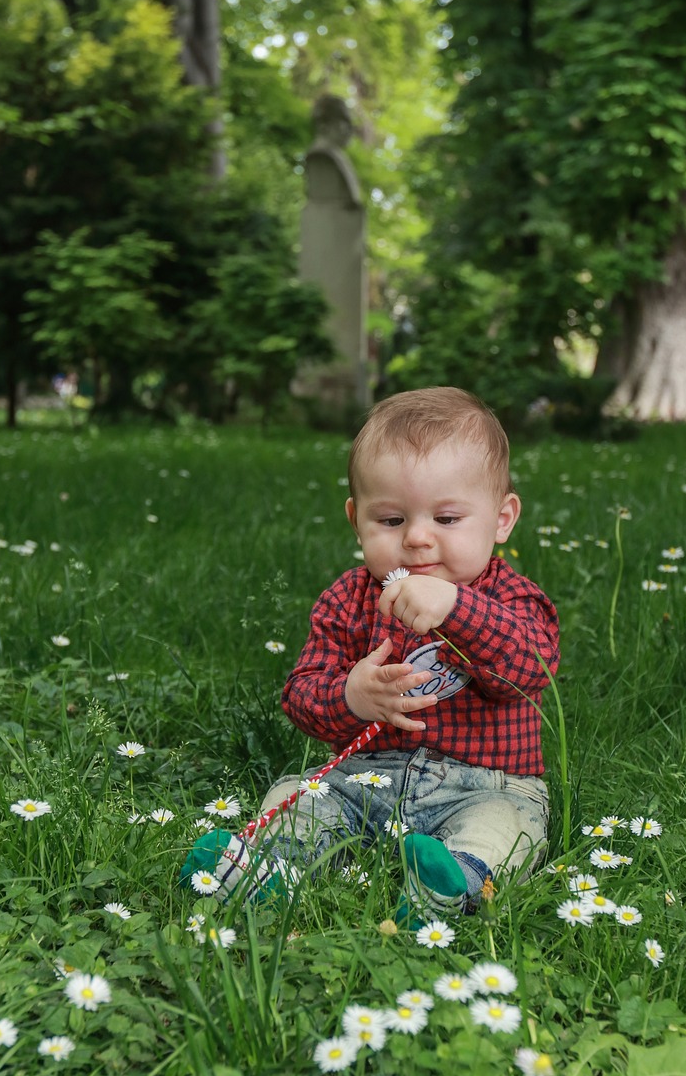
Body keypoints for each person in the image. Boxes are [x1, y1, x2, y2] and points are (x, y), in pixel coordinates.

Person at [181, 387, 560, 923]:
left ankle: (452, 882)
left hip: (485, 784)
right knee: (300, 795)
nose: (418, 540)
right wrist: (350, 696)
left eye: (447, 520)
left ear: (502, 519)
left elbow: (527, 672)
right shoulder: (349, 598)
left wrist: (458, 609)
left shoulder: (510, 597)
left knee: (508, 825)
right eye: (391, 520)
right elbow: (301, 694)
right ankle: (265, 871)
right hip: (364, 778)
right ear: (356, 519)